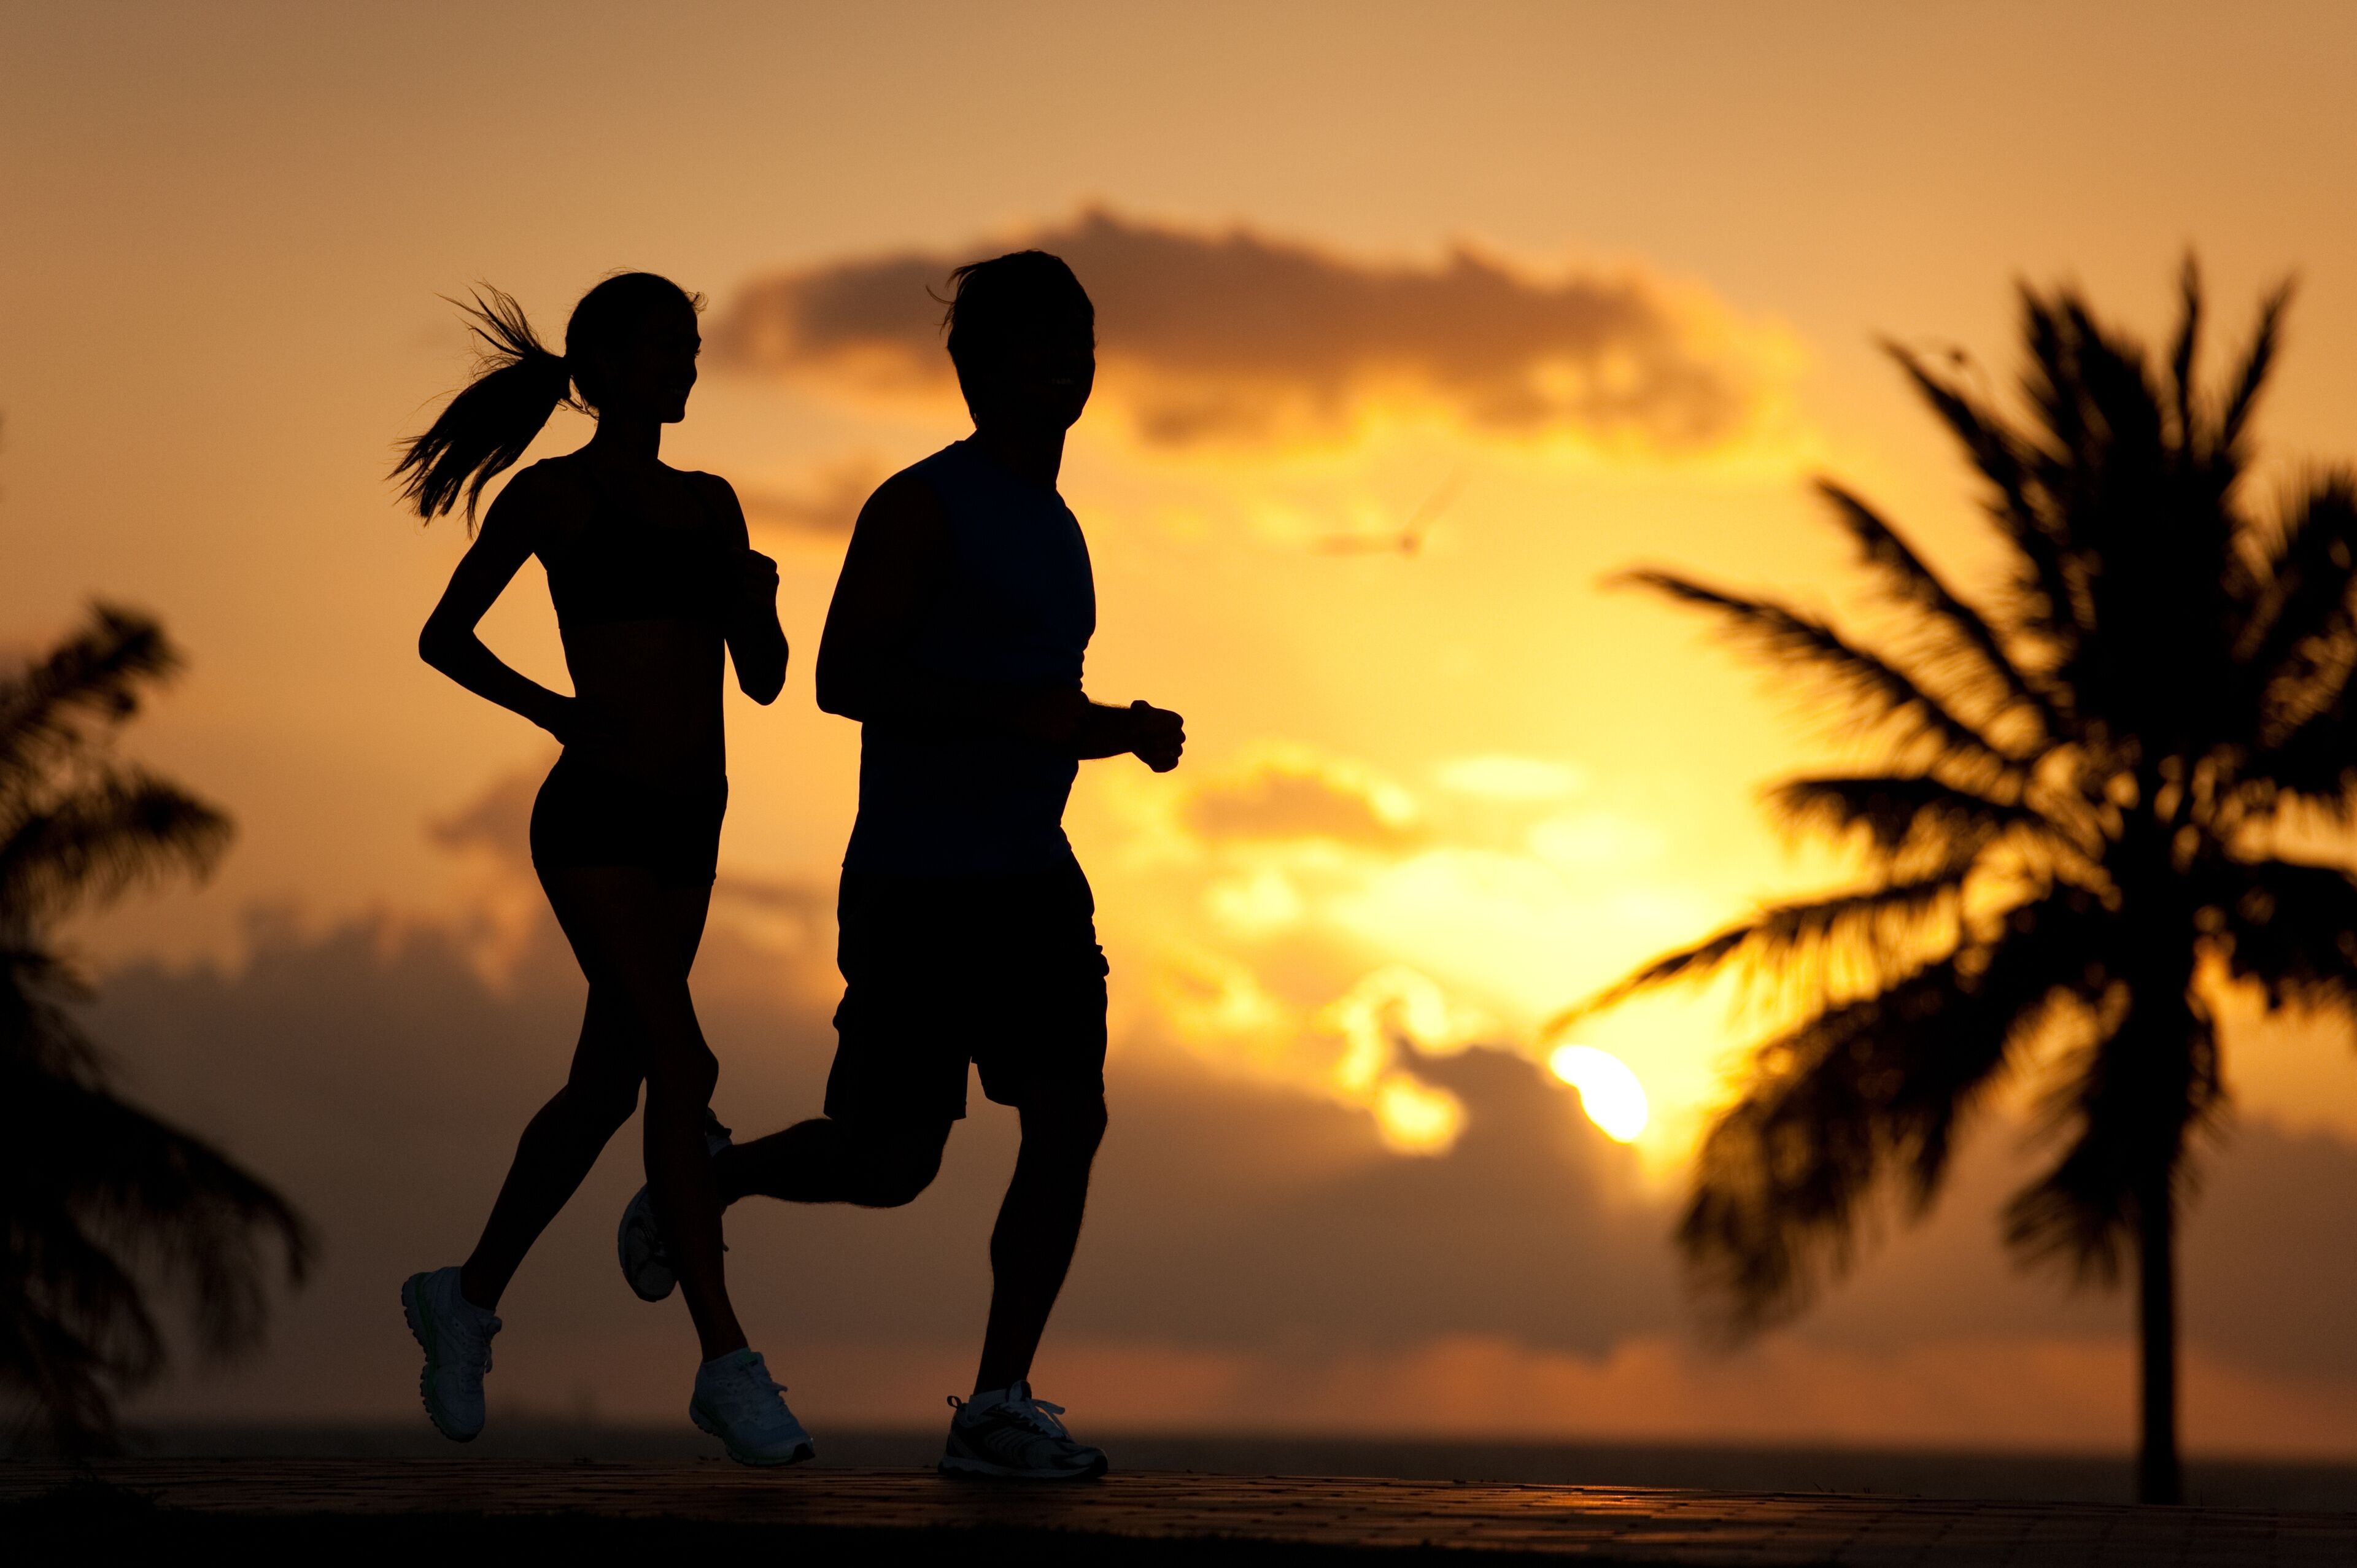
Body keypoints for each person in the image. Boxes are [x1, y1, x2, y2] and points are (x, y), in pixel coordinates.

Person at [614, 250, 1183, 1480]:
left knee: (1069, 1118)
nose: (1064, 363)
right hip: (918, 889)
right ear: (974, 368)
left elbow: (1040, 702)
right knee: (887, 1165)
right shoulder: (922, 505)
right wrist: (1034, 717)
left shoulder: (1062, 527)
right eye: (1034, 342)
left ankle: (995, 1405)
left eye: (1077, 339)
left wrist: (1114, 731)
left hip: (1030, 877)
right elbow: (844, 681)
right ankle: (710, 1180)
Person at [392, 272, 812, 1466]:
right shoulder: (555, 501)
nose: (688, 368)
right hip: (594, 819)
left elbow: (767, 677)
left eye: (692, 348)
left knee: (605, 1092)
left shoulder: (713, 504)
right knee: (684, 1061)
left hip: (693, 828)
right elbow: (443, 636)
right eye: (671, 348)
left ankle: (463, 1298)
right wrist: (560, 714)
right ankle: (726, 1364)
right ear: (608, 365)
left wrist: (760, 606)